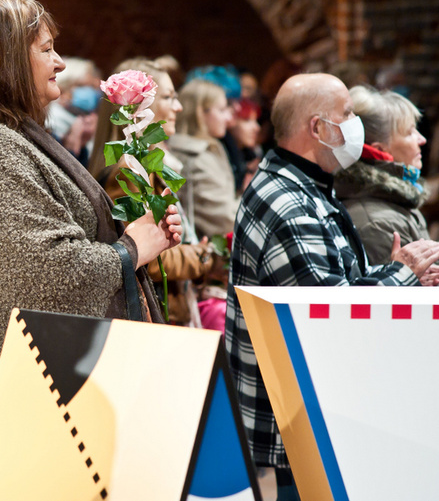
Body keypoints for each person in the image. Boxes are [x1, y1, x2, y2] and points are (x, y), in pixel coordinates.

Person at [0, 0, 182, 501]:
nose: (60, 62)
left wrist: (145, 231)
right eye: (47, 49)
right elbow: (40, 273)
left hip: (49, 390)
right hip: (15, 399)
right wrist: (131, 250)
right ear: (7, 59)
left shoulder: (11, 137)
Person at [225, 72, 439, 500]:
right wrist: (404, 273)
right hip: (299, 425)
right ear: (318, 128)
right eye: (347, 114)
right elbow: (329, 317)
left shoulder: (301, 183)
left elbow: (333, 285)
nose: (354, 124)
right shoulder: (289, 205)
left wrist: (395, 268)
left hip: (306, 413)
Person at [94, 57, 221, 328]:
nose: (179, 106)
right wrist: (202, 257)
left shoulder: (153, 163)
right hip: (155, 317)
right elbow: (143, 254)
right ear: (139, 108)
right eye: (168, 97)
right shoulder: (127, 169)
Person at [334, 85, 430, 264]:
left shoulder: (395, 200)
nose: (421, 139)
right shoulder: (378, 223)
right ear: (379, 150)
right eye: (409, 132)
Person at [170, 79, 240, 238]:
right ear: (200, 113)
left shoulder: (208, 149)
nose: (228, 118)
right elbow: (226, 219)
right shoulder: (195, 157)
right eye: (222, 110)